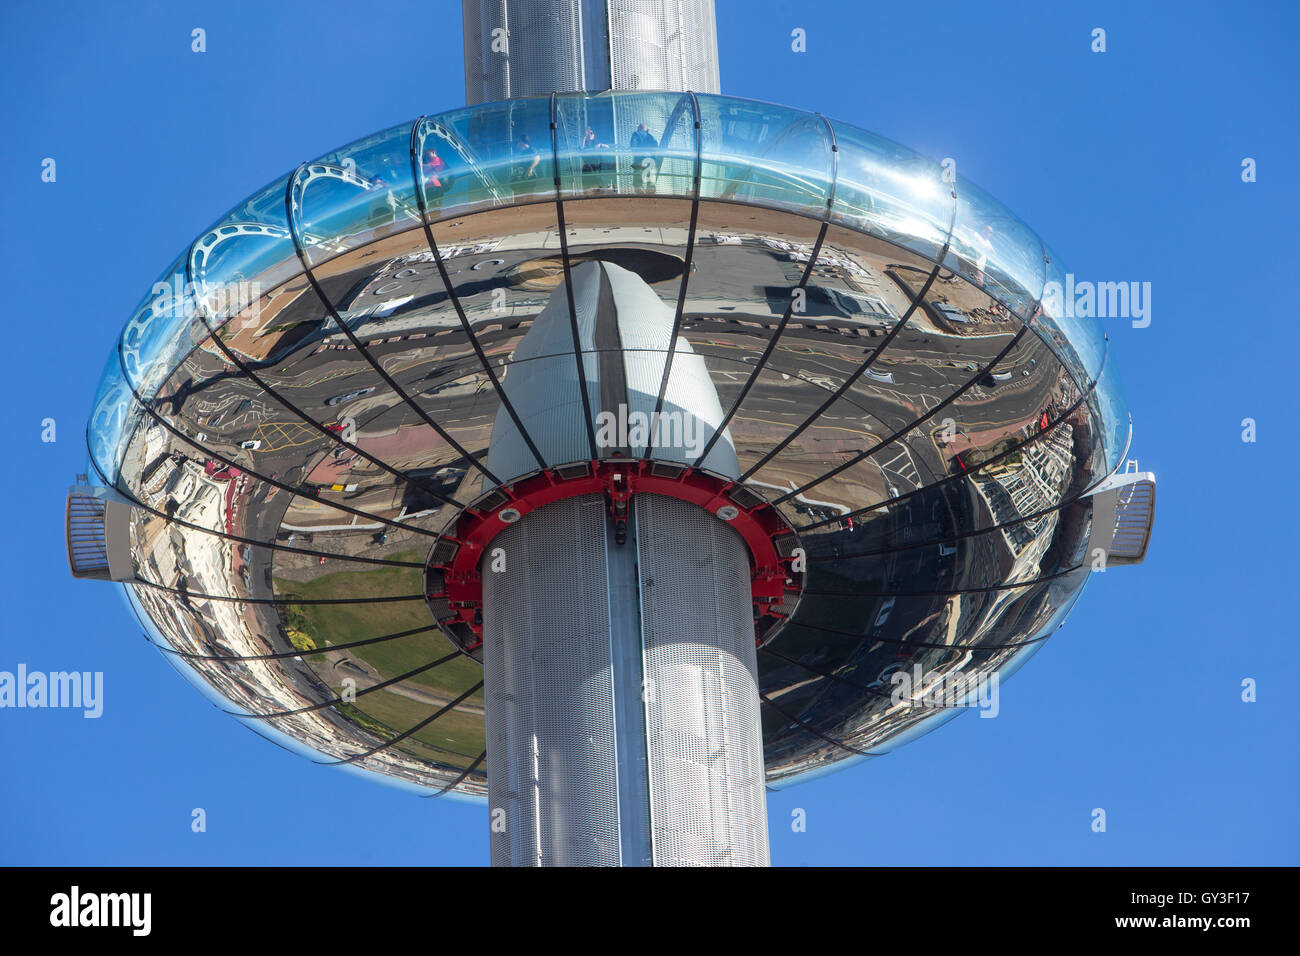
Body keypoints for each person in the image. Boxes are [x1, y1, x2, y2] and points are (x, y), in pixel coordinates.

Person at [629, 122, 658, 194]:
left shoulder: (636, 134)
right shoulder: (651, 137)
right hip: (651, 161)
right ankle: (651, 196)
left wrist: (636, 155)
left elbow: (633, 146)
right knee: (651, 181)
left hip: (640, 160)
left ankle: (640, 197)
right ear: (647, 130)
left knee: (638, 183)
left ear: (639, 129)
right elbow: (656, 148)